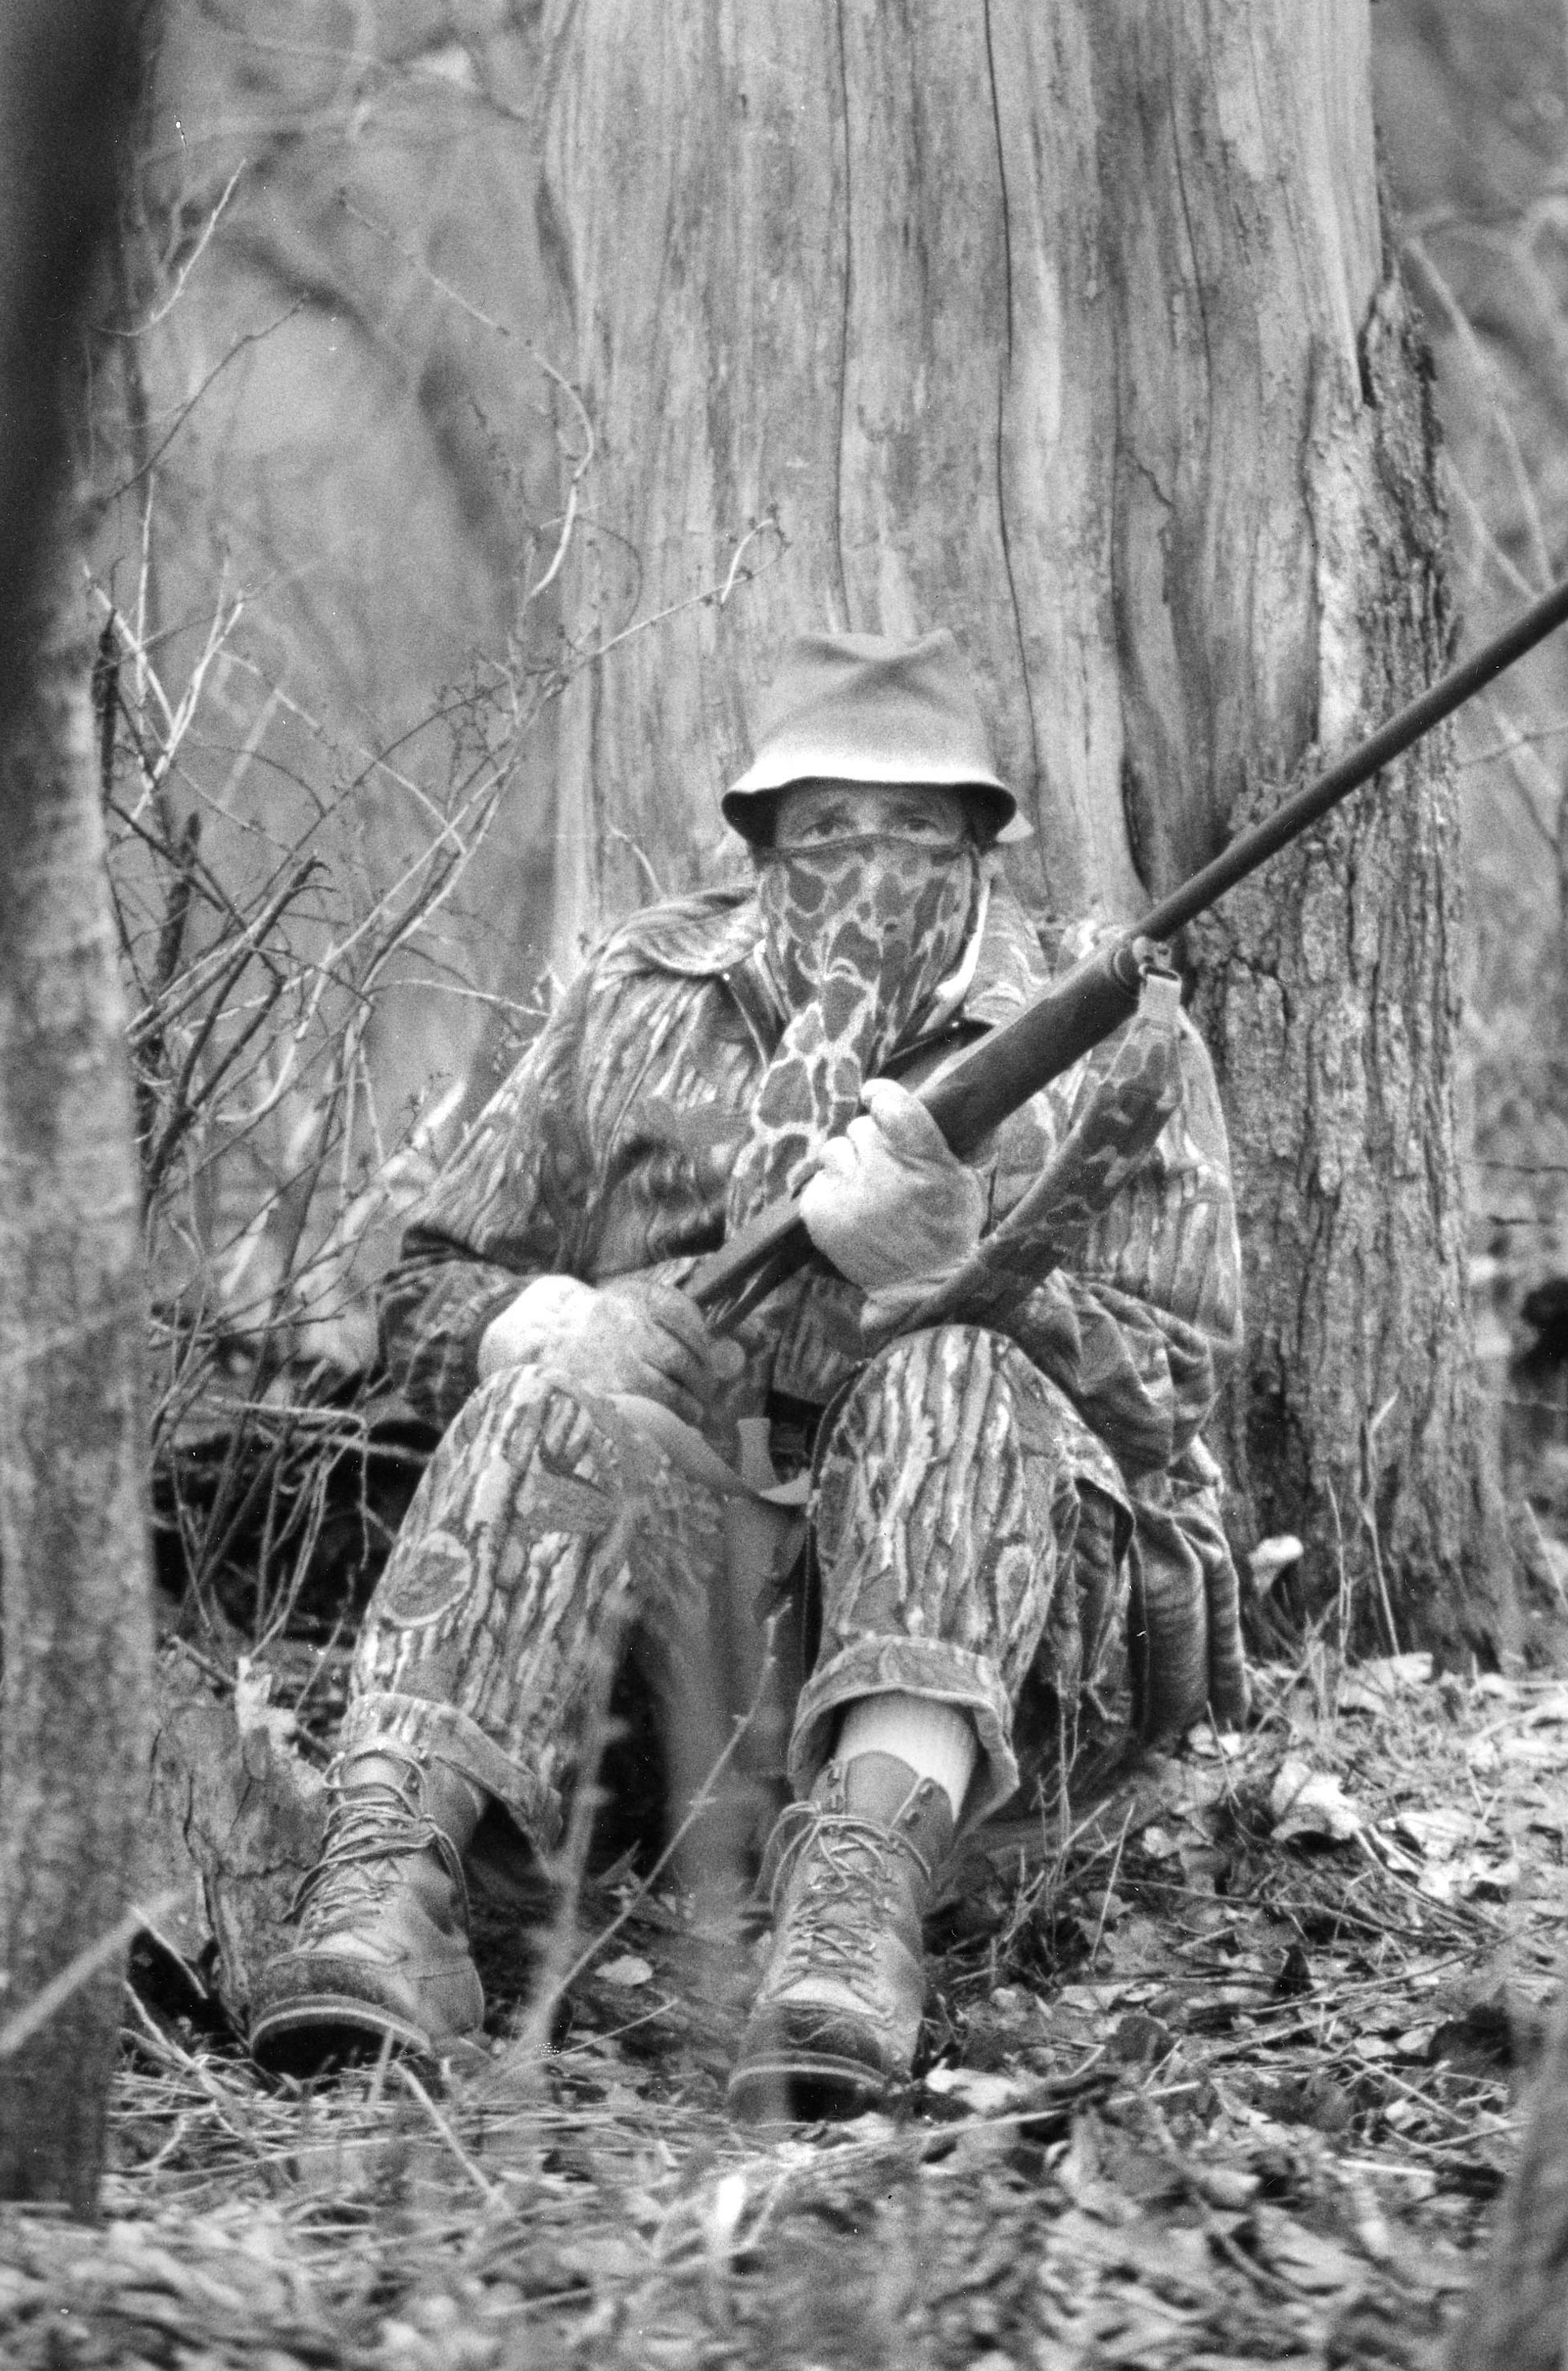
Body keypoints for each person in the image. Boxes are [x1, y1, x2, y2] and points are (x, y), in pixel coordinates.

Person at [249, 629, 1247, 2116]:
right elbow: (418, 1277)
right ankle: (393, 1879)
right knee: (545, 1396)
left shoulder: (1112, 1044)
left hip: (1004, 1685)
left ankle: (858, 1919)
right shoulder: (639, 994)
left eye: (915, 826)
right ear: (758, 839)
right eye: (825, 826)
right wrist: (537, 1321)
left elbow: (1178, 1402)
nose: (870, 859)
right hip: (670, 1681)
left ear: (984, 837)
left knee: (949, 1373)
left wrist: (948, 1279)